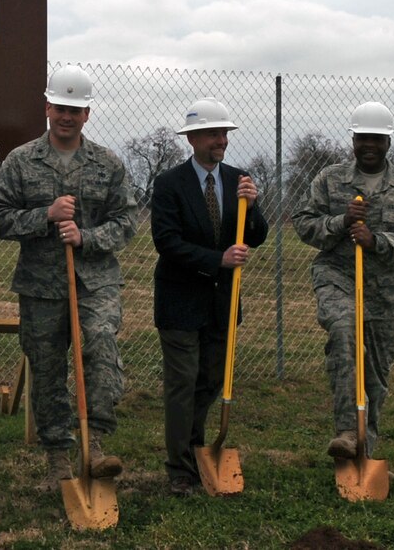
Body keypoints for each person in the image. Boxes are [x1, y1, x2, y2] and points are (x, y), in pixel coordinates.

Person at [0, 65, 137, 491]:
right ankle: (58, 459)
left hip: (95, 282)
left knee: (102, 348)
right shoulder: (21, 161)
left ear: (87, 113)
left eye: (76, 109)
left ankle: (98, 444)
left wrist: (87, 237)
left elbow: (127, 221)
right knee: (48, 368)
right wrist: (44, 217)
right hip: (41, 284)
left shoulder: (107, 163)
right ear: (47, 107)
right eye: (60, 107)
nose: (67, 116)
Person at [292, 101, 394, 460]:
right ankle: (346, 430)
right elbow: (305, 224)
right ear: (353, 140)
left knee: (375, 375)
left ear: (388, 142)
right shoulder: (330, 179)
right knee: (344, 333)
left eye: (376, 139)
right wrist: (341, 221)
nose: (368, 145)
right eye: (362, 139)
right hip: (338, 277)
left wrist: (379, 242)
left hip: (386, 293)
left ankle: (363, 448)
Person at [151, 97, 268, 496]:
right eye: (215, 134)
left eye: (225, 134)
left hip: (222, 303)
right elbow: (166, 242)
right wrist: (216, 259)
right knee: (183, 383)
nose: (222, 141)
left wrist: (252, 208)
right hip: (180, 301)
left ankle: (197, 447)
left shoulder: (239, 179)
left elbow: (255, 235)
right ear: (194, 139)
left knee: (211, 379)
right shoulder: (169, 184)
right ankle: (180, 470)